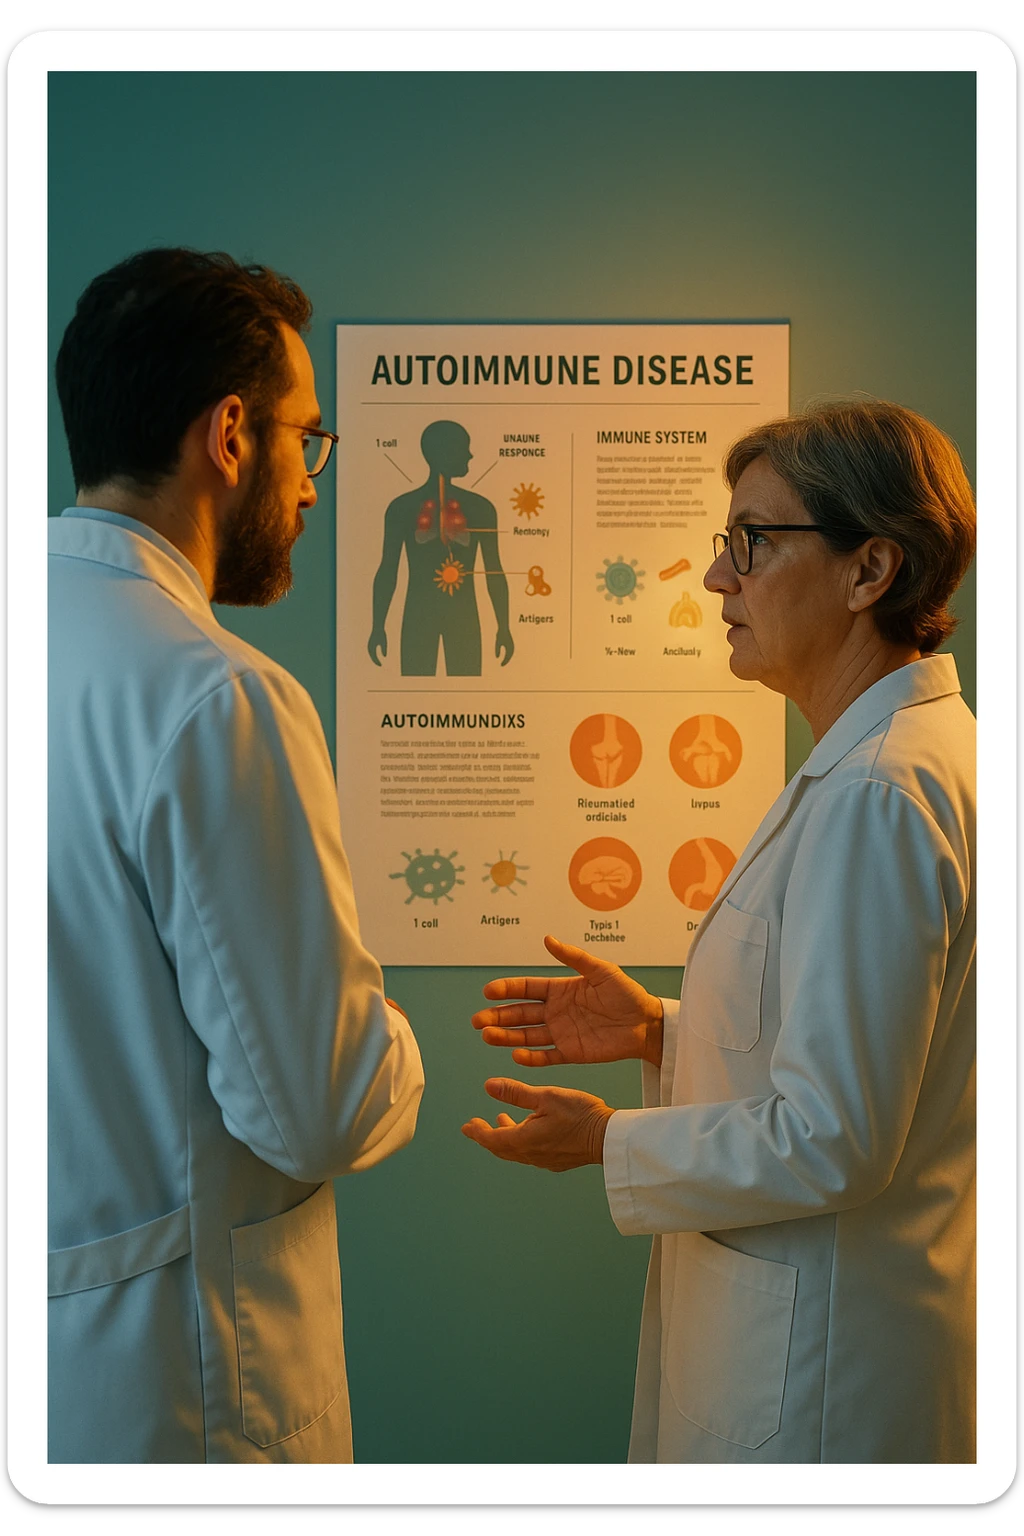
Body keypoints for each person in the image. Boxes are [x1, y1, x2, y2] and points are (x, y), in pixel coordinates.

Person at [463, 400, 976, 1464]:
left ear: (869, 570)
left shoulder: (879, 793)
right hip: (825, 1338)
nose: (715, 579)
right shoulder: (888, 764)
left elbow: (834, 1135)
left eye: (753, 541)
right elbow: (873, 1047)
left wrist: (607, 1142)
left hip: (823, 1379)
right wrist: (663, 1029)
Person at [48, 249, 425, 1463]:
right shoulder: (215, 697)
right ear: (228, 435)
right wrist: (393, 1045)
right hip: (187, 1388)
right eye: (308, 438)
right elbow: (316, 1108)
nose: (313, 481)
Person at [367, 420, 514, 676]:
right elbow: (388, 570)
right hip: (420, 617)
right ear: (443, 453)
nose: (470, 455)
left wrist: (504, 626)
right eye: (463, 448)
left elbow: (494, 572)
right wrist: (377, 626)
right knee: (415, 690)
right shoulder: (401, 508)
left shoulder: (481, 508)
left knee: (466, 692)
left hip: (462, 619)